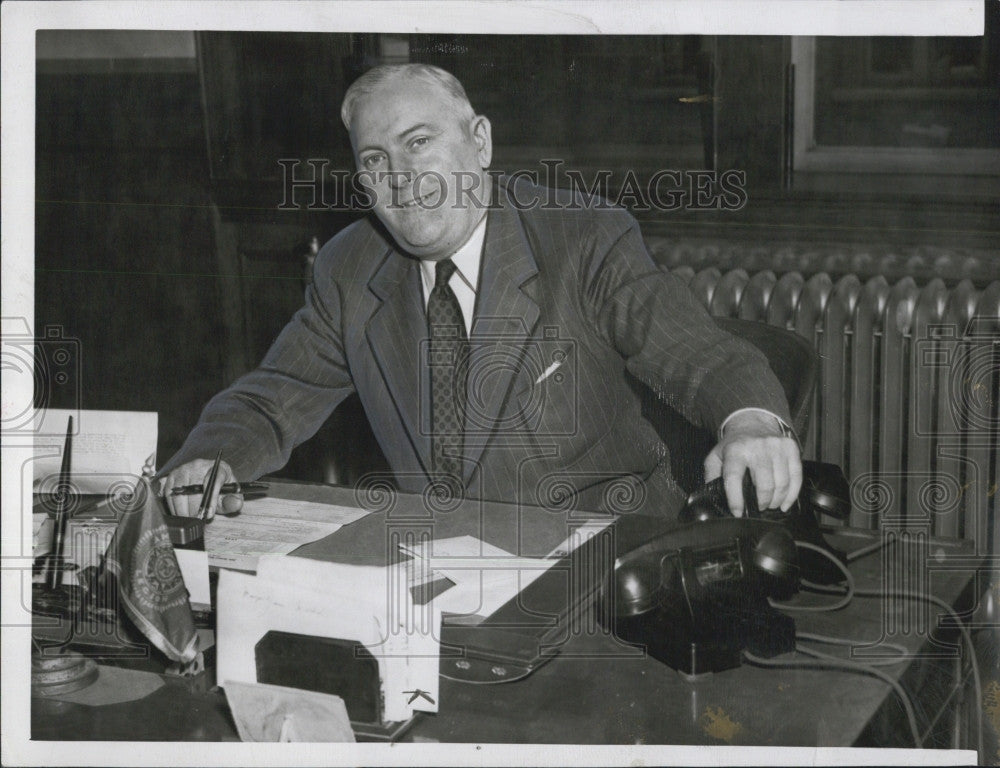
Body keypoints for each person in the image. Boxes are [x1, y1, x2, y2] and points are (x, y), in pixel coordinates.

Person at [159, 63, 802, 520]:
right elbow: (272, 399)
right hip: (440, 570)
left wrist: (750, 423)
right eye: (375, 160)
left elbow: (703, 354)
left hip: (603, 564)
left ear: (481, 142)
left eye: (419, 143)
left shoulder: (582, 238)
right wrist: (208, 461)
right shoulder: (349, 268)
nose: (402, 178)